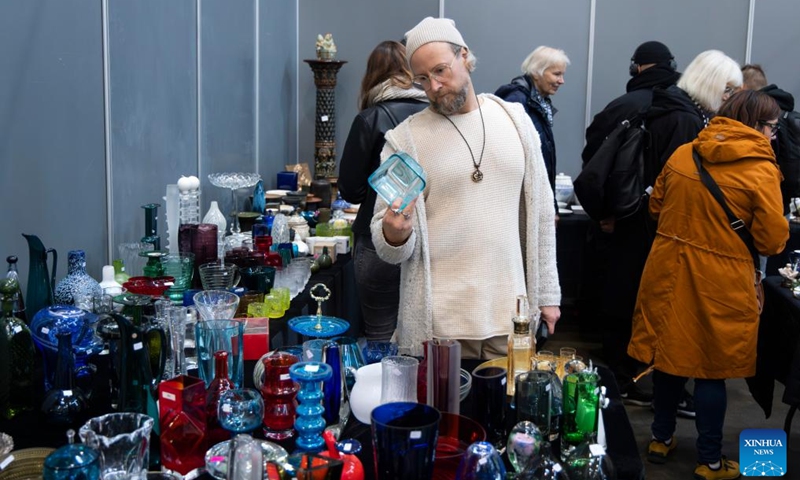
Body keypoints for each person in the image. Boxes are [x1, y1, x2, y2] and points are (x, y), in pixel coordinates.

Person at [369, 17, 561, 359]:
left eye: (441, 71)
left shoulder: (516, 121)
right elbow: (388, 246)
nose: (434, 87)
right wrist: (394, 232)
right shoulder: (405, 140)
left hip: (511, 318)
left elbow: (543, 214)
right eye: (422, 79)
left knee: (506, 411)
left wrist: (548, 295)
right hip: (439, 328)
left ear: (465, 56)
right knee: (444, 414)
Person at [628, 90, 788, 479]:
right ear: (755, 125)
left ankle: (660, 438)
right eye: (772, 127)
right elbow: (771, 241)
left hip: (667, 270)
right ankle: (710, 461)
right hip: (722, 280)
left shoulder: (685, 153)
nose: (774, 136)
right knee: (711, 370)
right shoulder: (761, 169)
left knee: (669, 358)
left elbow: (655, 206)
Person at [578, 41, 680, 407]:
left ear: (637, 68)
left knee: (620, 299)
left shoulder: (625, 106)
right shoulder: (683, 110)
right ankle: (649, 378)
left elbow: (594, 158)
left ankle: (621, 377)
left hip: (622, 221)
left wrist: (603, 211)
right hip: (665, 226)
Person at [338, 40, 428, 341]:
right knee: (424, 335)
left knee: (379, 335)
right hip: (429, 237)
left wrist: (380, 189)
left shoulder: (370, 118)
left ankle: (385, 388)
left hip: (378, 240)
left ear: (371, 76)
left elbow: (350, 189)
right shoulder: (435, 115)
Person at [582, 41, 680, 164]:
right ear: (671, 65)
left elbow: (594, 148)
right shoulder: (688, 102)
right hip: (675, 180)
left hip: (630, 182)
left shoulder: (622, 106)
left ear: (636, 68)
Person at [495, 46, 570, 199]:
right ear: (536, 73)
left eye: (562, 74)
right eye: (556, 74)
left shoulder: (539, 103)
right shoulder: (517, 101)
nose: (562, 81)